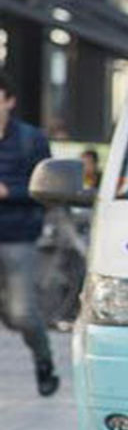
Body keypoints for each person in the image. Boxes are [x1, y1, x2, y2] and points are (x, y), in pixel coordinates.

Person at [0, 71, 57, 396]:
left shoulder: (30, 139)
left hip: (19, 236)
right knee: (10, 314)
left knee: (21, 313)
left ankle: (44, 360)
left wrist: (9, 191)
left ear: (9, 101)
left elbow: (47, 190)